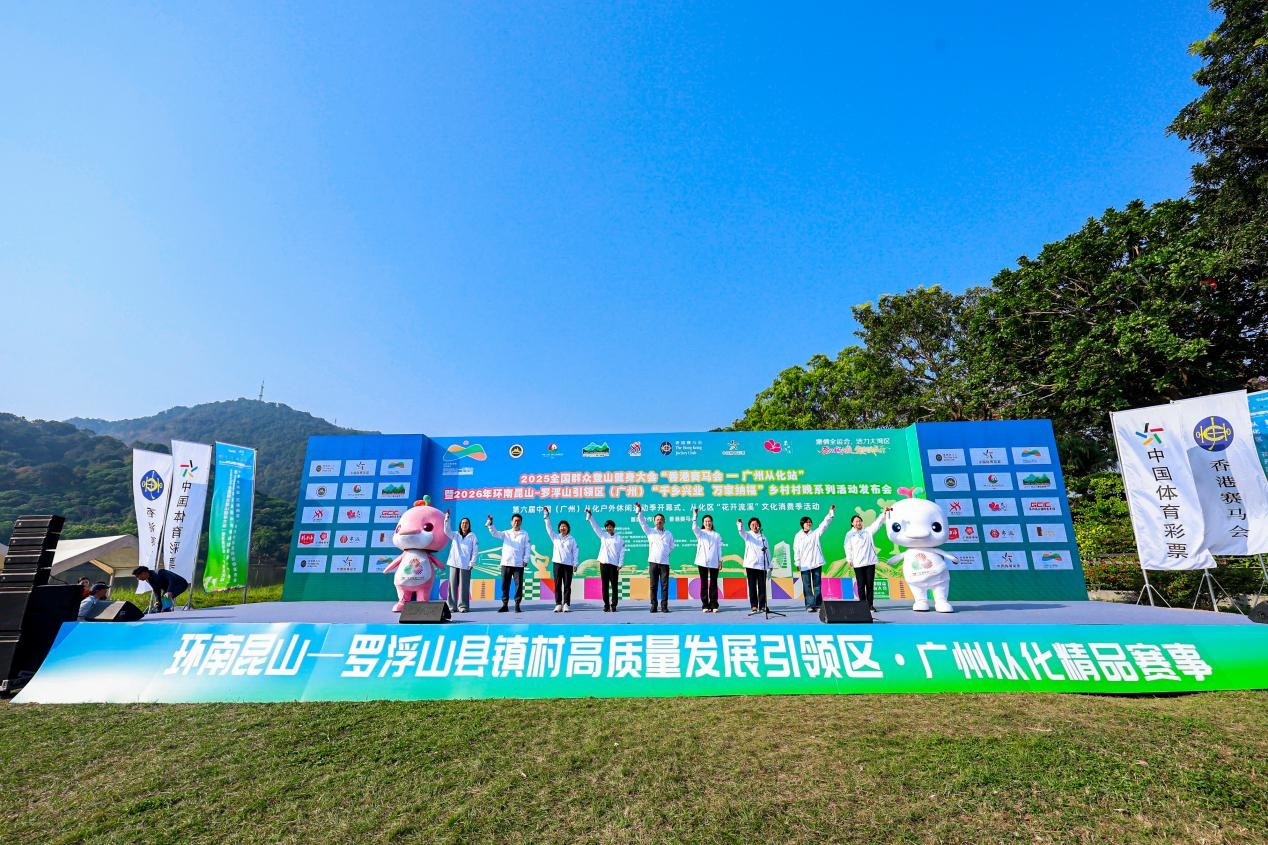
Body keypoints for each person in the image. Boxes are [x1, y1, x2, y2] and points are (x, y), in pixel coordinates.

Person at [845, 508, 889, 614]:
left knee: (870, 585)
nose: (858, 523)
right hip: (858, 563)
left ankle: (870, 605)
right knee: (861, 585)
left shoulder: (868, 531)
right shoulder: (849, 534)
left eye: (860, 521)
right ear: (852, 523)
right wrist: (849, 559)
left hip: (870, 562)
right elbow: (847, 547)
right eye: (856, 521)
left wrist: (883, 514)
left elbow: (877, 523)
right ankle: (862, 605)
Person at [793, 505, 836, 612]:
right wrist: (797, 563)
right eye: (806, 522)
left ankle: (818, 605)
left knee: (817, 586)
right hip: (804, 565)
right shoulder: (798, 536)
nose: (809, 523)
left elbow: (824, 524)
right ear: (802, 524)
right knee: (807, 585)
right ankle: (809, 605)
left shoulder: (815, 533)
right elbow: (796, 549)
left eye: (810, 522)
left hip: (816, 563)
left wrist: (830, 513)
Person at [486, 513, 532, 613]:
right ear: (511, 522)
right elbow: (495, 533)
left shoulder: (524, 534)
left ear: (521, 522)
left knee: (518, 586)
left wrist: (526, 559)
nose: (516, 522)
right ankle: (505, 605)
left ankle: (517, 605)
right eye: (515, 521)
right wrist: (491, 525)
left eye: (518, 521)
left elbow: (528, 547)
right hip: (506, 563)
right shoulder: (506, 533)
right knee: (504, 585)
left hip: (518, 564)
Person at [635, 502, 675, 613]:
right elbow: (642, 522)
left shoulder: (668, 534)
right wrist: (639, 511)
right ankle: (653, 605)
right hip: (653, 562)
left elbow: (672, 546)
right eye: (657, 519)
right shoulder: (650, 531)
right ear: (654, 521)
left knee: (664, 586)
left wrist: (666, 553)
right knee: (653, 586)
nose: (659, 521)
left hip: (665, 563)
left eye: (661, 519)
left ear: (664, 521)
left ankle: (664, 606)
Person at [586, 507, 625, 612]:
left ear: (613, 527)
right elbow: (595, 527)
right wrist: (590, 516)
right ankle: (606, 605)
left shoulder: (619, 538)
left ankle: (614, 604)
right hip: (603, 564)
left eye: (610, 526)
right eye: (607, 527)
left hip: (614, 565)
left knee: (614, 586)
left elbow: (622, 551)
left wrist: (620, 563)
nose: (609, 528)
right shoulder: (603, 535)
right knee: (605, 585)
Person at [542, 506, 579, 612]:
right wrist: (546, 516)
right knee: (557, 585)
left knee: (567, 586)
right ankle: (558, 604)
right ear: (559, 528)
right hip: (557, 564)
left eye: (565, 526)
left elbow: (575, 552)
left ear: (568, 528)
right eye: (561, 526)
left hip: (568, 565)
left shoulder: (572, 539)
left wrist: (575, 564)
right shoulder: (555, 537)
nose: (563, 528)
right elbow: (549, 528)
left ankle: (566, 604)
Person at [444, 512, 478, 614]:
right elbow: (446, 530)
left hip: (465, 565)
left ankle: (463, 606)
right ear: (460, 525)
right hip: (454, 563)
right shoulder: (455, 534)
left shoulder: (472, 536)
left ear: (469, 525)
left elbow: (475, 551)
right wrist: (447, 518)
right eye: (463, 523)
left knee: (464, 587)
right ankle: (451, 606)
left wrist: (472, 563)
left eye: (466, 523)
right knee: (452, 586)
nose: (464, 525)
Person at [691, 506, 723, 613]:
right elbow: (694, 528)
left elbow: (719, 549)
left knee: (713, 583)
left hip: (714, 561)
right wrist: (695, 516)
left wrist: (720, 561)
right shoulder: (700, 533)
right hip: (702, 561)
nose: (708, 523)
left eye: (709, 521)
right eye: (706, 521)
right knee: (704, 583)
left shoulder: (717, 535)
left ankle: (714, 605)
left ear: (712, 523)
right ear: (703, 523)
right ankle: (705, 605)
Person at [736, 517, 771, 613]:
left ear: (759, 525)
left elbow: (768, 551)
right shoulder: (747, 535)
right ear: (750, 526)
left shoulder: (763, 537)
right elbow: (741, 531)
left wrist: (770, 565)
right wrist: (740, 524)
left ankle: (762, 605)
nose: (755, 526)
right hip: (751, 565)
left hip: (762, 565)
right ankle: (754, 605)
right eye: (752, 525)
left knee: (762, 587)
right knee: (752, 586)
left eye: (756, 524)